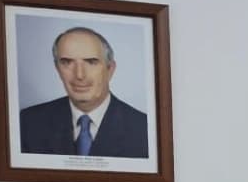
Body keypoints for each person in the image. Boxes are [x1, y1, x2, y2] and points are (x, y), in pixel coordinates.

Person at [17, 27, 151, 159]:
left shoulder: (145, 130)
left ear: (110, 69)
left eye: (91, 62)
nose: (79, 75)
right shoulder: (27, 123)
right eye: (67, 62)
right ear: (57, 69)